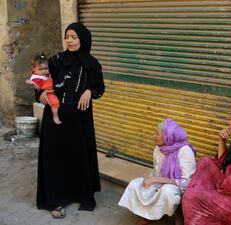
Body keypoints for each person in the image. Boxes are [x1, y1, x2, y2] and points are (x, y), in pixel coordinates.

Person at [36, 22, 105, 219]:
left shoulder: (91, 64)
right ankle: (55, 200)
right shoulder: (55, 61)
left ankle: (79, 193)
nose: (69, 40)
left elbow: (100, 88)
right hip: (55, 119)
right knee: (55, 158)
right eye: (67, 36)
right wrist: (40, 95)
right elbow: (39, 81)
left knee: (78, 155)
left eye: (74, 37)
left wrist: (89, 91)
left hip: (79, 119)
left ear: (82, 39)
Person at [118, 118, 196, 225]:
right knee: (135, 184)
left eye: (157, 133)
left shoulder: (185, 151)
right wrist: (150, 179)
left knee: (167, 191)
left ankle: (173, 216)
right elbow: (156, 170)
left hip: (177, 187)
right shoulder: (159, 148)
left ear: (167, 136)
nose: (153, 136)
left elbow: (187, 182)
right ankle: (148, 214)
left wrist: (156, 179)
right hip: (160, 182)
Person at [26, 53, 61, 124]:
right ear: (33, 69)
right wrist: (33, 83)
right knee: (55, 102)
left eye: (46, 68)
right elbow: (38, 88)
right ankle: (55, 116)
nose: (44, 71)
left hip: (52, 90)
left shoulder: (44, 74)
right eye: (40, 69)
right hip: (48, 93)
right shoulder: (36, 78)